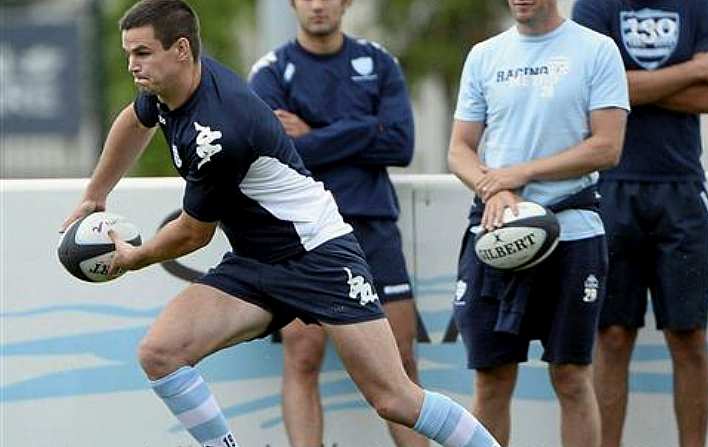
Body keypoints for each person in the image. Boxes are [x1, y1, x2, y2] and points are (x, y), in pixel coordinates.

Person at [59, 2, 502, 447]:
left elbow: (194, 232)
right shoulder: (169, 88)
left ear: (180, 49)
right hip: (256, 261)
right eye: (128, 53)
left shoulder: (219, 131)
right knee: (160, 353)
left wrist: (136, 258)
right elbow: (135, 121)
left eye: (141, 53)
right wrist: (96, 193)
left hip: (319, 255)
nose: (132, 65)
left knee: (395, 398)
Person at [447, 1, 629, 446]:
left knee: (570, 375)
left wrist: (520, 173)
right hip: (496, 231)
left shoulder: (597, 50)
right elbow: (459, 149)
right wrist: (495, 188)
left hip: (574, 232)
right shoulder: (485, 55)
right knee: (491, 378)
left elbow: (607, 147)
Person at [247, 2, 425, 446]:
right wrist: (365, 129)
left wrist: (313, 135)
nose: (319, 4)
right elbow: (274, 157)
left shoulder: (379, 62)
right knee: (303, 355)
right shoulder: (271, 72)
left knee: (400, 361)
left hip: (373, 226)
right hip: (302, 234)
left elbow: (401, 143)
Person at [572, 1, 708, 446]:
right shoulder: (594, 5)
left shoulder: (698, 4)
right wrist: (691, 70)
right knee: (613, 336)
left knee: (688, 337)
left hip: (680, 189)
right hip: (612, 186)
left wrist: (627, 89)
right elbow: (590, 92)